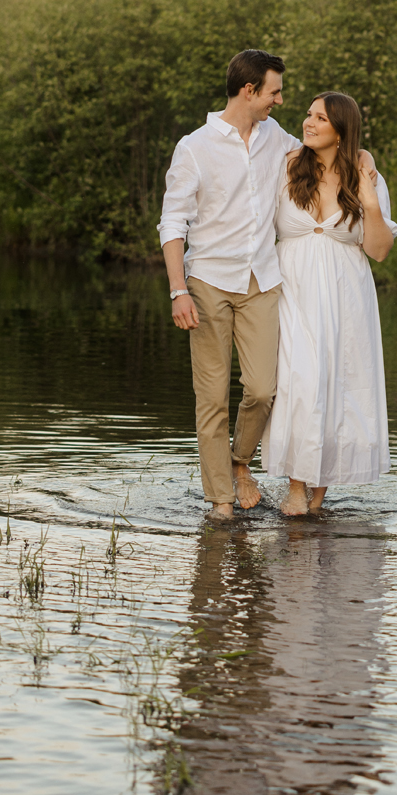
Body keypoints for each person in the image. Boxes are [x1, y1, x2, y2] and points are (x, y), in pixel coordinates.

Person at [159, 49, 294, 521]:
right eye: (274, 91)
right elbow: (173, 222)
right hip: (208, 283)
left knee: (262, 389)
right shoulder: (194, 147)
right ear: (249, 90)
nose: (280, 100)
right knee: (212, 397)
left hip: (262, 279)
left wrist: (357, 152)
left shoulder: (276, 136)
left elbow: (315, 155)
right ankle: (220, 501)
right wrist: (179, 291)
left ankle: (240, 463)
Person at [262, 92, 397, 517]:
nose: (308, 122)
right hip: (294, 288)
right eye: (308, 114)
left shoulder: (365, 175)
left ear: (340, 130)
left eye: (319, 118)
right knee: (300, 381)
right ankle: (296, 485)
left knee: (336, 385)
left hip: (346, 295)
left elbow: (378, 250)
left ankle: (315, 497)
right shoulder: (285, 165)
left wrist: (371, 201)